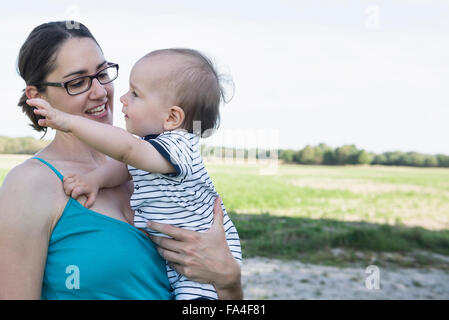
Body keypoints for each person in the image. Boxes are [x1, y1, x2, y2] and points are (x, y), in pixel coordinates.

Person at [0, 21, 242, 300]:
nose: (101, 92)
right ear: (37, 97)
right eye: (77, 82)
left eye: (103, 74)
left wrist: (229, 282)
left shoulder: (150, 166)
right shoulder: (28, 185)